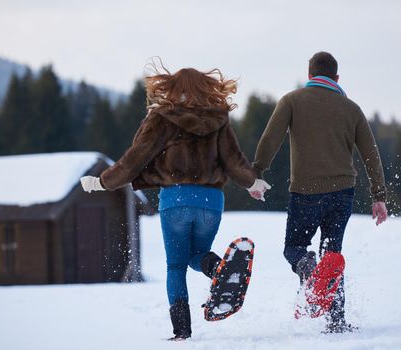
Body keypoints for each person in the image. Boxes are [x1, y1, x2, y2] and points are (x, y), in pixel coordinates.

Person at [80, 65, 269, 340]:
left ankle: (182, 331)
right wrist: (253, 182)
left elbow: (134, 158)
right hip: (211, 200)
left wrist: (101, 182)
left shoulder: (161, 117)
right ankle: (218, 268)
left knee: (176, 265)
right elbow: (234, 160)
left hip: (176, 199)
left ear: (171, 88)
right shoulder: (219, 119)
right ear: (206, 87)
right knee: (197, 253)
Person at [250, 51, 388, 333]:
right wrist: (379, 196)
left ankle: (308, 269)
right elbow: (371, 155)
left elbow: (270, 139)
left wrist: (257, 173)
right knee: (332, 254)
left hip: (305, 192)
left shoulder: (292, 101)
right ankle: (337, 321)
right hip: (343, 193)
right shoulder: (351, 108)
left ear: (310, 75)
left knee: (294, 248)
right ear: (337, 78)